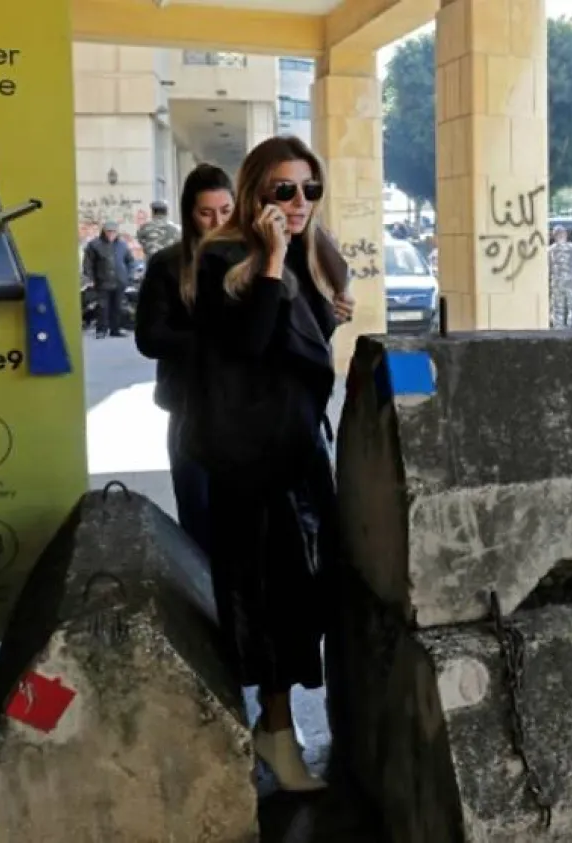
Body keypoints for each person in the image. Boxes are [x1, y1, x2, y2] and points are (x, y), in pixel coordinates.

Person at [185, 135, 354, 792]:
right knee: (268, 600)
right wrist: (275, 257)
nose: (299, 201)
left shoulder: (313, 252)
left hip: (298, 452)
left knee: (302, 597)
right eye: (284, 188)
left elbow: (300, 354)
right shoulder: (225, 256)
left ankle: (278, 728)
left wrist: (326, 308)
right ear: (256, 190)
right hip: (249, 461)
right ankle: (276, 731)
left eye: (309, 189)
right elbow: (250, 347)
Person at [134, 164, 233, 551]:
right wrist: (210, 341)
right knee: (198, 520)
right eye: (206, 213)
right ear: (189, 214)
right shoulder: (167, 264)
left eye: (225, 211)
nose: (217, 222)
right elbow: (149, 338)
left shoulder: (255, 259)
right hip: (190, 408)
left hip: (245, 411)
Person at [82, 220, 136, 338]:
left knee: (118, 306)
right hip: (102, 281)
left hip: (119, 280)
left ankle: (115, 329)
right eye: (109, 231)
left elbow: (130, 261)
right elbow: (88, 264)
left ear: (117, 232)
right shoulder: (94, 244)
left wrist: (130, 276)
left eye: (114, 231)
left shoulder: (122, 245)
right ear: (104, 232)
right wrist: (90, 278)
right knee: (102, 306)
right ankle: (101, 330)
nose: (111, 234)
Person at [548, 225, 572, 328]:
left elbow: (548, 268)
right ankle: (571, 328)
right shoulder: (571, 247)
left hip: (556, 283)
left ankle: (559, 330)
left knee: (557, 308)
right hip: (570, 282)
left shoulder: (550, 250)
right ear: (565, 234)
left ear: (554, 236)